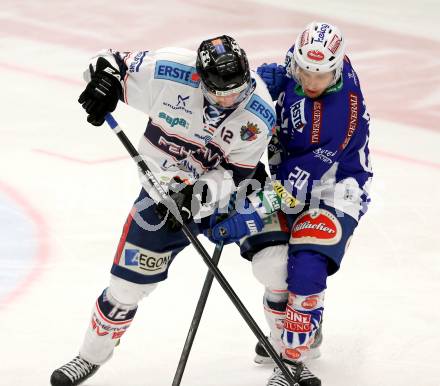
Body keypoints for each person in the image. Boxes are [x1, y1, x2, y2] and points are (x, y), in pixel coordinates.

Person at [50, 35, 276, 386]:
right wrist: (103, 84)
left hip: (230, 194)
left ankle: (294, 349)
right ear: (201, 79)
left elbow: (235, 174)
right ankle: (89, 356)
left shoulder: (258, 112)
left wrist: (196, 196)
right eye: (221, 92)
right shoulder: (168, 71)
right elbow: (106, 61)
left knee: (276, 263)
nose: (232, 99)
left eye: (238, 89)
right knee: (125, 288)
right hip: (160, 194)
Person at [207, 21, 373, 386]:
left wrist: (245, 219)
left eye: (322, 76)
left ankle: (294, 357)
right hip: (285, 178)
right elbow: (265, 80)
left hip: (334, 188)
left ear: (338, 67)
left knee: (307, 267)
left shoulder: (339, 111)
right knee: (270, 266)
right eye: (305, 72)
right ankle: (287, 335)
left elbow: (296, 188)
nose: (311, 82)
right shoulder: (297, 64)